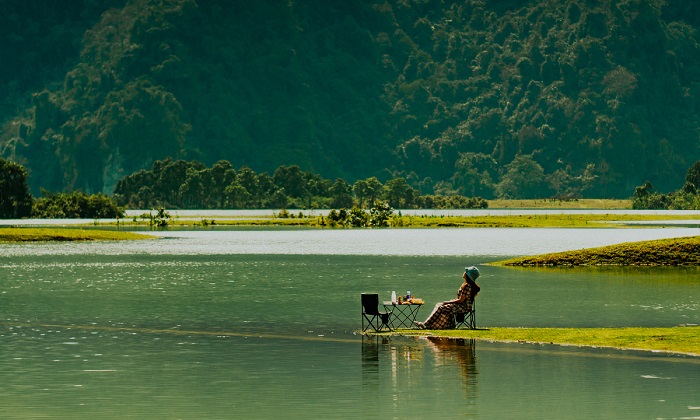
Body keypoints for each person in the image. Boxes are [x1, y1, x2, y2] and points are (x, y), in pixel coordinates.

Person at [414, 266, 480, 329]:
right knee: (439, 304)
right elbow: (460, 299)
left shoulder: (467, 286)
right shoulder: (467, 285)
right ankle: (434, 325)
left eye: (466, 272)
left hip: (464, 307)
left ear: (468, 275)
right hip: (460, 305)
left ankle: (426, 324)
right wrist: (449, 302)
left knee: (441, 307)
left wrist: (447, 302)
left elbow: (461, 300)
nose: (464, 273)